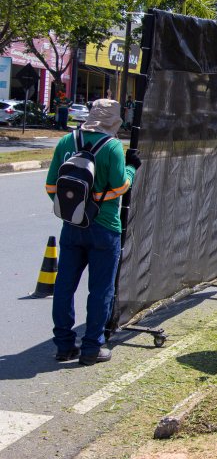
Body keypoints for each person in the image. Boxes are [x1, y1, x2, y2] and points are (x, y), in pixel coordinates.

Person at [45, 99, 142, 365]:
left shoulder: (67, 142)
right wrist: (132, 168)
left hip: (72, 225)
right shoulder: (112, 147)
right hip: (105, 227)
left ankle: (64, 346)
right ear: (114, 120)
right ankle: (91, 348)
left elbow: (51, 187)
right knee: (101, 290)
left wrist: (73, 207)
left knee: (64, 285)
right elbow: (121, 187)